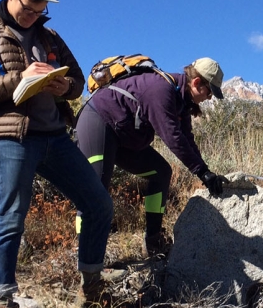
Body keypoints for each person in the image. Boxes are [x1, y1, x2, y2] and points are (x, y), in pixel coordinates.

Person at [0, 0, 115, 308]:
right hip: (12, 138)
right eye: (29, 7)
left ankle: (91, 285)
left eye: (41, 9)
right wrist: (19, 78)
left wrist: (66, 88)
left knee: (98, 204)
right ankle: (2, 303)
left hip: (55, 137)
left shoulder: (51, 38)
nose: (34, 15)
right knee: (11, 216)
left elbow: (78, 81)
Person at [74, 57, 229, 257]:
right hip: (98, 122)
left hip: (123, 137)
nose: (209, 98)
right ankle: (87, 261)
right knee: (95, 191)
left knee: (161, 172)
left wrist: (207, 172)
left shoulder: (181, 101)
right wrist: (201, 172)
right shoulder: (161, 90)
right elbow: (173, 137)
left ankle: (152, 241)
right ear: (197, 82)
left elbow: (187, 139)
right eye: (210, 92)